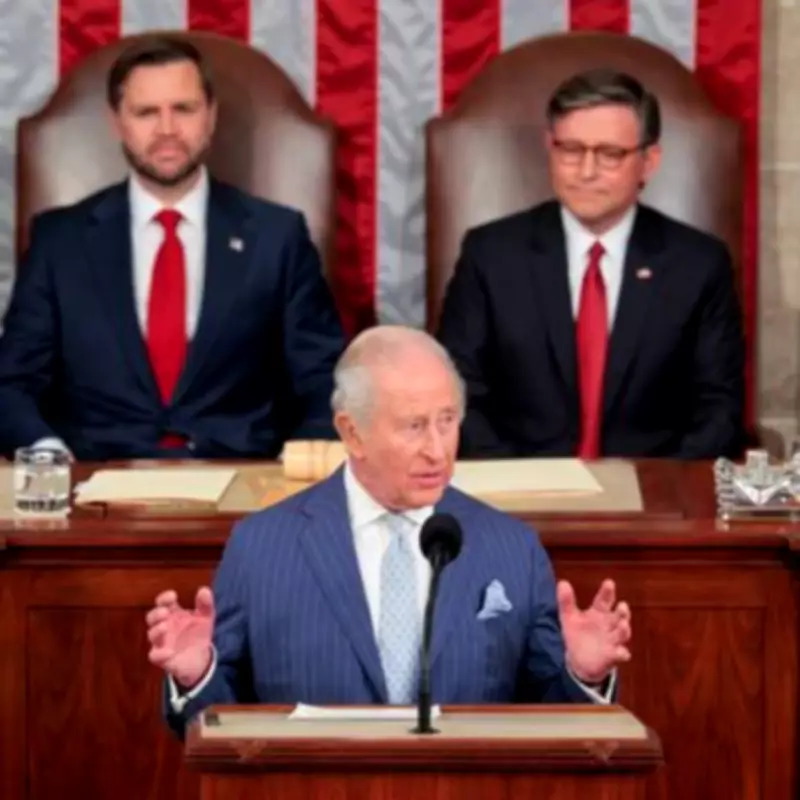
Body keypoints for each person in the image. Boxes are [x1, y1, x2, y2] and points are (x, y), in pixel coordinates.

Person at [146, 326, 632, 740]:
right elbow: (220, 729)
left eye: (447, 421)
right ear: (352, 432)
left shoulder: (511, 547)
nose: (437, 451)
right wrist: (197, 677)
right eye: (414, 426)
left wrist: (583, 674)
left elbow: (549, 721)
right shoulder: (262, 547)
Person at [0, 35, 344, 460]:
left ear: (211, 116)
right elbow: (13, 383)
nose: (166, 129)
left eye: (183, 109)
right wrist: (47, 454)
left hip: (242, 483)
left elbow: (324, 378)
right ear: (117, 122)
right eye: (146, 112)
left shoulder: (277, 237)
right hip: (94, 486)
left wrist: (302, 460)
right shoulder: (60, 241)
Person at [436, 68, 745, 460]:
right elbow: (456, 393)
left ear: (649, 161)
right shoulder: (491, 254)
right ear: (550, 148)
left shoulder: (699, 264)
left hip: (653, 498)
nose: (586, 171)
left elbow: (719, 411)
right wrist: (518, 486)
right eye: (571, 150)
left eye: (610, 154)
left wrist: (661, 492)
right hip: (518, 489)